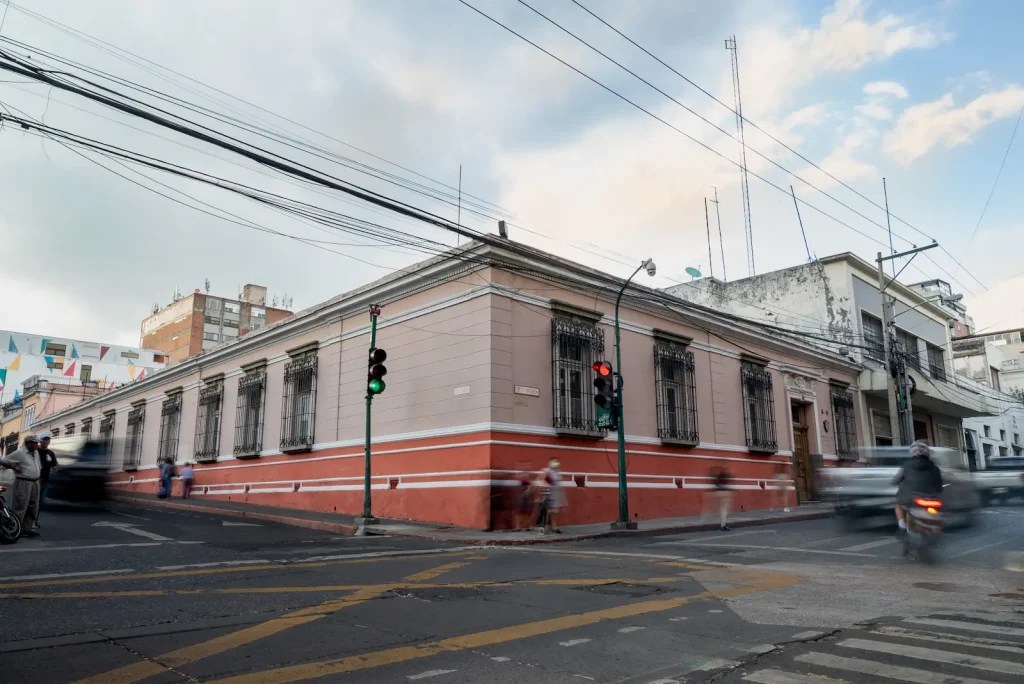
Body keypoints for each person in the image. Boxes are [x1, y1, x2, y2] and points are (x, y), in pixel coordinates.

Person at [892, 440, 944, 533]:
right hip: (931, 497)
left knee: (898, 505)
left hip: (910, 497)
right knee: (938, 509)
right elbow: (939, 484)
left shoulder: (907, 465)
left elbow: (898, 479)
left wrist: (894, 483)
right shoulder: (935, 468)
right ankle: (935, 528)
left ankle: (902, 525)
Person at [0, 434, 42, 537]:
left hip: (35, 482)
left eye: (37, 443)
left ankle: (27, 529)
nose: (37, 445)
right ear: (28, 443)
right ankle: (15, 529)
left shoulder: (36, 453)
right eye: (35, 443)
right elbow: (3, 461)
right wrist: (13, 466)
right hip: (23, 482)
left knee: (33, 507)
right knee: (20, 506)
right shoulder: (19, 453)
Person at [540, 458, 567, 534]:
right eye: (554, 462)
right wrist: (544, 495)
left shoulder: (557, 472)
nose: (555, 463)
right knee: (549, 511)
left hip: (557, 494)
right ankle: (548, 526)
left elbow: (559, 484)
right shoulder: (548, 472)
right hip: (550, 494)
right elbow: (546, 484)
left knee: (554, 511)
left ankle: (553, 526)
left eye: (556, 462)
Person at [37, 431, 59, 522]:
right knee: (32, 502)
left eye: (48, 440)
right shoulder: (36, 451)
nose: (46, 441)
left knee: (40, 502)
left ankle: (35, 521)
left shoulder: (50, 453)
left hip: (45, 481)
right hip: (35, 480)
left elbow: (55, 465)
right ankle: (27, 522)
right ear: (40, 441)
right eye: (45, 439)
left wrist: (55, 468)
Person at [710, 466, 732, 531]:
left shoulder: (717, 478)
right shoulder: (725, 477)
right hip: (724, 493)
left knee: (722, 509)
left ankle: (723, 524)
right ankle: (723, 525)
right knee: (724, 509)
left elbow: (715, 484)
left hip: (718, 493)